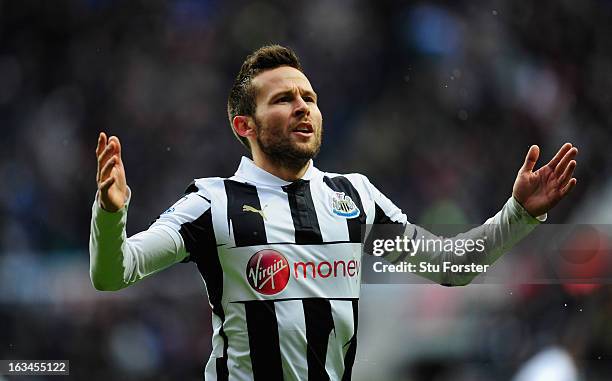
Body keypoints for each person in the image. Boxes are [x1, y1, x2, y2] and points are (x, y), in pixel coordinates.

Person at [89, 45, 578, 380]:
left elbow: (449, 267)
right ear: (246, 125)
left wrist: (518, 213)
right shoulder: (212, 203)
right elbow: (114, 274)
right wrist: (110, 215)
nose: (303, 107)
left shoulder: (354, 200)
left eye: (310, 98)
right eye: (283, 99)